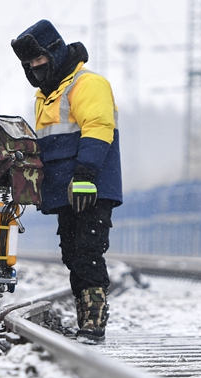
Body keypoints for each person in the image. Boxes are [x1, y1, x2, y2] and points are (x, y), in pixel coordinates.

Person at [10, 20, 123, 345]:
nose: (35, 69)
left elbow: (98, 127)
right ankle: (85, 315)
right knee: (72, 252)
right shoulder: (45, 96)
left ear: (54, 54)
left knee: (88, 251)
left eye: (39, 62)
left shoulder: (86, 84)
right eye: (29, 65)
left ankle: (93, 319)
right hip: (65, 191)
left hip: (90, 185)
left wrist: (86, 175)